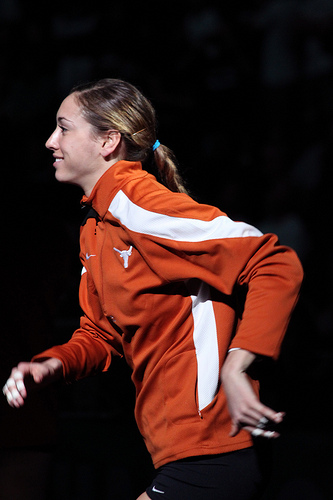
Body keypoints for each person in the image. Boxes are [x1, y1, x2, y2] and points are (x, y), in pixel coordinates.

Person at [2, 78, 303, 500]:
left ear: (108, 140)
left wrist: (236, 364)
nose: (51, 141)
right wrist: (53, 365)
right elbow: (100, 335)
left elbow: (273, 261)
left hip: (215, 443)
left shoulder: (136, 202)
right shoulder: (95, 225)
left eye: (64, 127)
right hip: (178, 449)